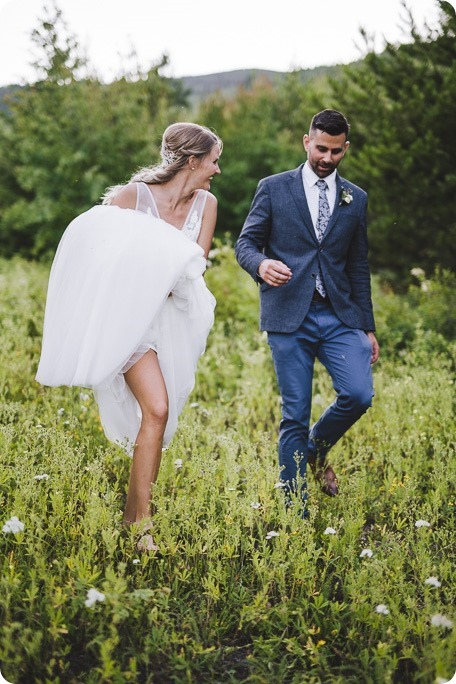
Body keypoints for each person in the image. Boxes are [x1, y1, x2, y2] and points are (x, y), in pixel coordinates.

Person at [36, 122, 222, 547]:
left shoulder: (206, 205)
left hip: (172, 320)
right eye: (213, 160)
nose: (216, 169)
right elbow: (94, 254)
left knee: (162, 416)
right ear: (192, 160)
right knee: (156, 408)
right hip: (130, 322)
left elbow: (197, 266)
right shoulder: (131, 199)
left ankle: (132, 513)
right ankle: (142, 526)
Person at [235, 109, 379, 515]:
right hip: (288, 316)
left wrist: (367, 327)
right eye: (320, 148)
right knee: (294, 413)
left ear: (345, 148)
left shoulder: (356, 197)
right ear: (306, 142)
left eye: (336, 151)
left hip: (339, 315)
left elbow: (358, 266)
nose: (327, 158)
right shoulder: (273, 188)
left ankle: (314, 451)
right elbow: (246, 244)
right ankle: (294, 512)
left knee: (358, 394)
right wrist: (260, 265)